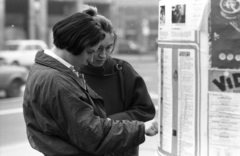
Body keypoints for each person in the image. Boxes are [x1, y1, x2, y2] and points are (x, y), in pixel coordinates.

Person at [23, 11, 158, 156]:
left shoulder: (44, 69)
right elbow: (92, 135)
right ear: (76, 44)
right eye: (90, 51)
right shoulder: (58, 81)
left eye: (108, 48)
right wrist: (140, 129)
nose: (92, 58)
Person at [80, 6, 156, 156]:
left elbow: (146, 110)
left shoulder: (123, 70)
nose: (103, 55)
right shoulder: (73, 73)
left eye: (109, 48)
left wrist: (107, 122)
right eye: (97, 48)